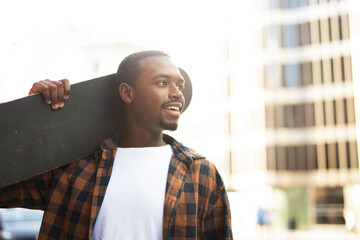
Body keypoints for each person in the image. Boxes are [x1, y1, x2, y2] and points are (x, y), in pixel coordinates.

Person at [0, 50, 232, 239]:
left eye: (179, 86)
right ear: (127, 93)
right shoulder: (74, 167)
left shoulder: (201, 173)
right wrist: (29, 123)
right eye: (162, 83)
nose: (176, 94)